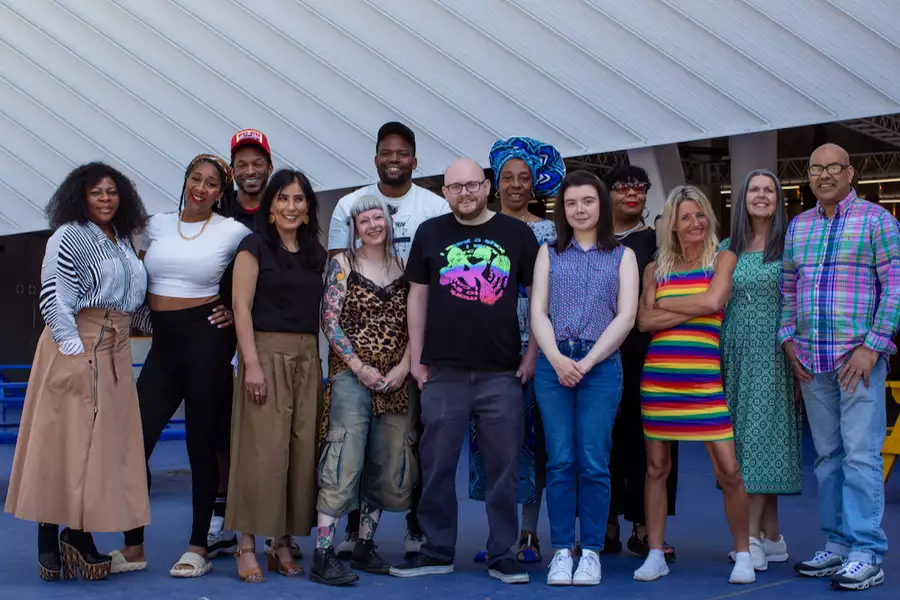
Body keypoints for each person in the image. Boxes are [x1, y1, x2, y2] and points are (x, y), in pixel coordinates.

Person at [389, 157, 539, 585]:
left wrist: (531, 357)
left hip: (501, 372)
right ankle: (436, 550)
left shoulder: (516, 234)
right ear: (445, 192)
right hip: (443, 371)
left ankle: (502, 552)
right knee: (436, 465)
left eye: (472, 185)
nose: (465, 193)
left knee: (504, 467)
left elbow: (537, 293)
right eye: (455, 187)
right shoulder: (430, 233)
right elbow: (416, 298)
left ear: (487, 186)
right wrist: (417, 359)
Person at [5, 163, 150, 582]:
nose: (105, 199)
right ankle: (48, 539)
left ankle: (79, 534)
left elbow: (134, 303)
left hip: (115, 353)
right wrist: (73, 356)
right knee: (63, 443)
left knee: (99, 450)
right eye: (95, 192)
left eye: (111, 192)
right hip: (77, 348)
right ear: (79, 196)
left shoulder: (123, 241)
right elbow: (54, 298)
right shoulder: (67, 237)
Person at [111, 154, 250, 578]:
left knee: (201, 447)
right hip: (163, 344)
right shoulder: (155, 224)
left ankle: (198, 546)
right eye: (196, 178)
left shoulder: (233, 231)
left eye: (211, 183)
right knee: (134, 444)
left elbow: (263, 272)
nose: (201, 188)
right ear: (186, 180)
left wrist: (233, 308)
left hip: (206, 340)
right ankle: (133, 547)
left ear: (220, 192)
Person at [780, 143, 899, 592]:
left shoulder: (877, 221)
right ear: (808, 176)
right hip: (812, 361)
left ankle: (867, 551)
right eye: (815, 168)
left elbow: (895, 289)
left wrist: (873, 346)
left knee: (862, 456)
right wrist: (788, 340)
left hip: (858, 361)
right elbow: (789, 289)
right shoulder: (800, 226)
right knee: (827, 458)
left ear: (850, 172)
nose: (824, 175)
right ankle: (837, 544)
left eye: (833, 167)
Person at [327, 121, 448, 558]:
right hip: (360, 352)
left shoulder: (434, 206)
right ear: (376, 158)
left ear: (415, 160)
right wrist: (356, 359)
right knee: (358, 443)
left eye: (403, 153)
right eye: (386, 153)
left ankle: (416, 525)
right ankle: (358, 533)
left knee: (411, 439)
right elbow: (338, 276)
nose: (394, 160)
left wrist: (416, 352)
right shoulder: (348, 205)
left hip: (419, 345)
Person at [634, 185, 754, 584]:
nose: (695, 222)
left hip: (704, 383)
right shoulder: (655, 269)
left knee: (729, 471)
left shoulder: (723, 258)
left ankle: (742, 554)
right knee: (656, 467)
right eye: (685, 216)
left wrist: (663, 305)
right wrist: (674, 308)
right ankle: (655, 553)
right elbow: (643, 323)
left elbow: (712, 303)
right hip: (660, 382)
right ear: (672, 224)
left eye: (700, 215)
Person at [530, 171, 639, 586]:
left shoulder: (623, 256)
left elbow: (626, 317)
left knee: (594, 461)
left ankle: (590, 551)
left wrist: (588, 361)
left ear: (601, 205)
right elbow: (539, 311)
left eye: (588, 201)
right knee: (560, 460)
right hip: (553, 363)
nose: (579, 209)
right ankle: (562, 549)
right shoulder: (549, 252)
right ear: (563, 209)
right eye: (572, 203)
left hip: (601, 365)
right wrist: (557, 359)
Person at [225, 169, 327, 583]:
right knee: (261, 452)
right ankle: (246, 544)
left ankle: (281, 542)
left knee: (300, 452)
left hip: (307, 356)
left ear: (307, 209)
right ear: (270, 208)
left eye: (299, 199)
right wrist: (251, 364)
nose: (291, 206)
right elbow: (240, 307)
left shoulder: (313, 253)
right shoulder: (254, 247)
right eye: (283, 199)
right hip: (265, 353)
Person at [313, 195, 415, 585]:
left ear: (389, 222)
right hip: (352, 376)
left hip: (395, 380)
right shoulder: (343, 264)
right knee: (343, 457)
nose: (373, 225)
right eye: (364, 220)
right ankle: (323, 552)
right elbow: (329, 320)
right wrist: (360, 367)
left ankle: (364, 544)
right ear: (354, 228)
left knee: (386, 459)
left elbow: (413, 322)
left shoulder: (403, 266)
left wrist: (404, 367)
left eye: (379, 217)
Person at [469, 136, 562, 564]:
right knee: (490, 444)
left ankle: (528, 532)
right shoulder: (479, 225)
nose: (516, 185)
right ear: (495, 182)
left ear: (534, 184)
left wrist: (540, 347)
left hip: (531, 344)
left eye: (524, 178)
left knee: (528, 441)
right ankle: (496, 536)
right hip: (486, 345)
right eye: (508, 177)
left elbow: (549, 293)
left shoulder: (546, 231)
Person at [721, 170, 801, 572]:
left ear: (779, 199)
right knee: (743, 436)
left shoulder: (790, 246)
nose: (762, 195)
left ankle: (749, 538)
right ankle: (772, 536)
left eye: (770, 189)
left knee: (758, 438)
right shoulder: (726, 247)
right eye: (754, 189)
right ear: (743, 198)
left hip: (773, 350)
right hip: (734, 351)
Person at [601, 165, 678, 561]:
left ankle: (647, 525)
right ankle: (607, 521)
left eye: (639, 187)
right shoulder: (593, 239)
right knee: (604, 440)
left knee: (655, 442)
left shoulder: (661, 240)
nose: (632, 192)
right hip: (601, 352)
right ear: (607, 193)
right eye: (621, 186)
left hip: (653, 352)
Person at [220, 128, 274, 228]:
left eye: (257, 164)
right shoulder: (220, 208)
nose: (250, 172)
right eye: (242, 165)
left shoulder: (283, 209)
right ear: (233, 171)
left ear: (269, 168)